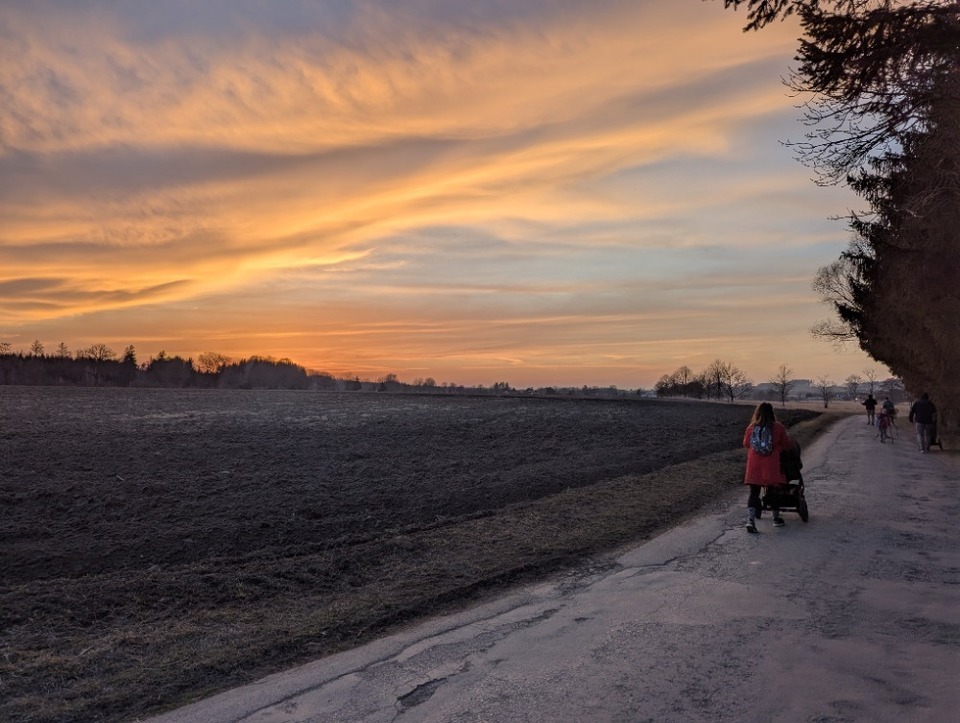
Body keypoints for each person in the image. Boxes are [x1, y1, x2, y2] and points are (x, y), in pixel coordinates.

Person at [742, 402, 792, 533]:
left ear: (757, 413)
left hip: (754, 465)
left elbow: (746, 444)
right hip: (771, 465)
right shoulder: (777, 427)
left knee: (753, 493)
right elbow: (787, 444)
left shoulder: (751, 428)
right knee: (773, 492)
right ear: (772, 413)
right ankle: (776, 519)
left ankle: (750, 521)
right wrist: (779, 448)